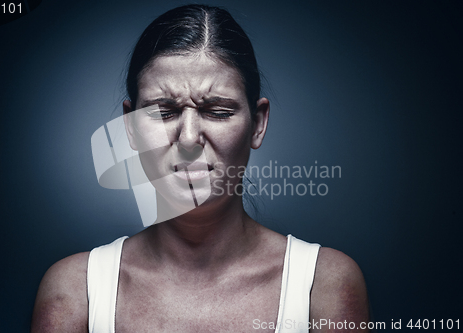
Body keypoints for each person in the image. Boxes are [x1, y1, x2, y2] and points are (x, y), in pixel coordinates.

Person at [31, 4, 369, 333]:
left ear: (258, 124)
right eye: (163, 112)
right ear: (130, 127)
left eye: (218, 111)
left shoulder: (322, 285)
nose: (189, 138)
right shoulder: (76, 292)